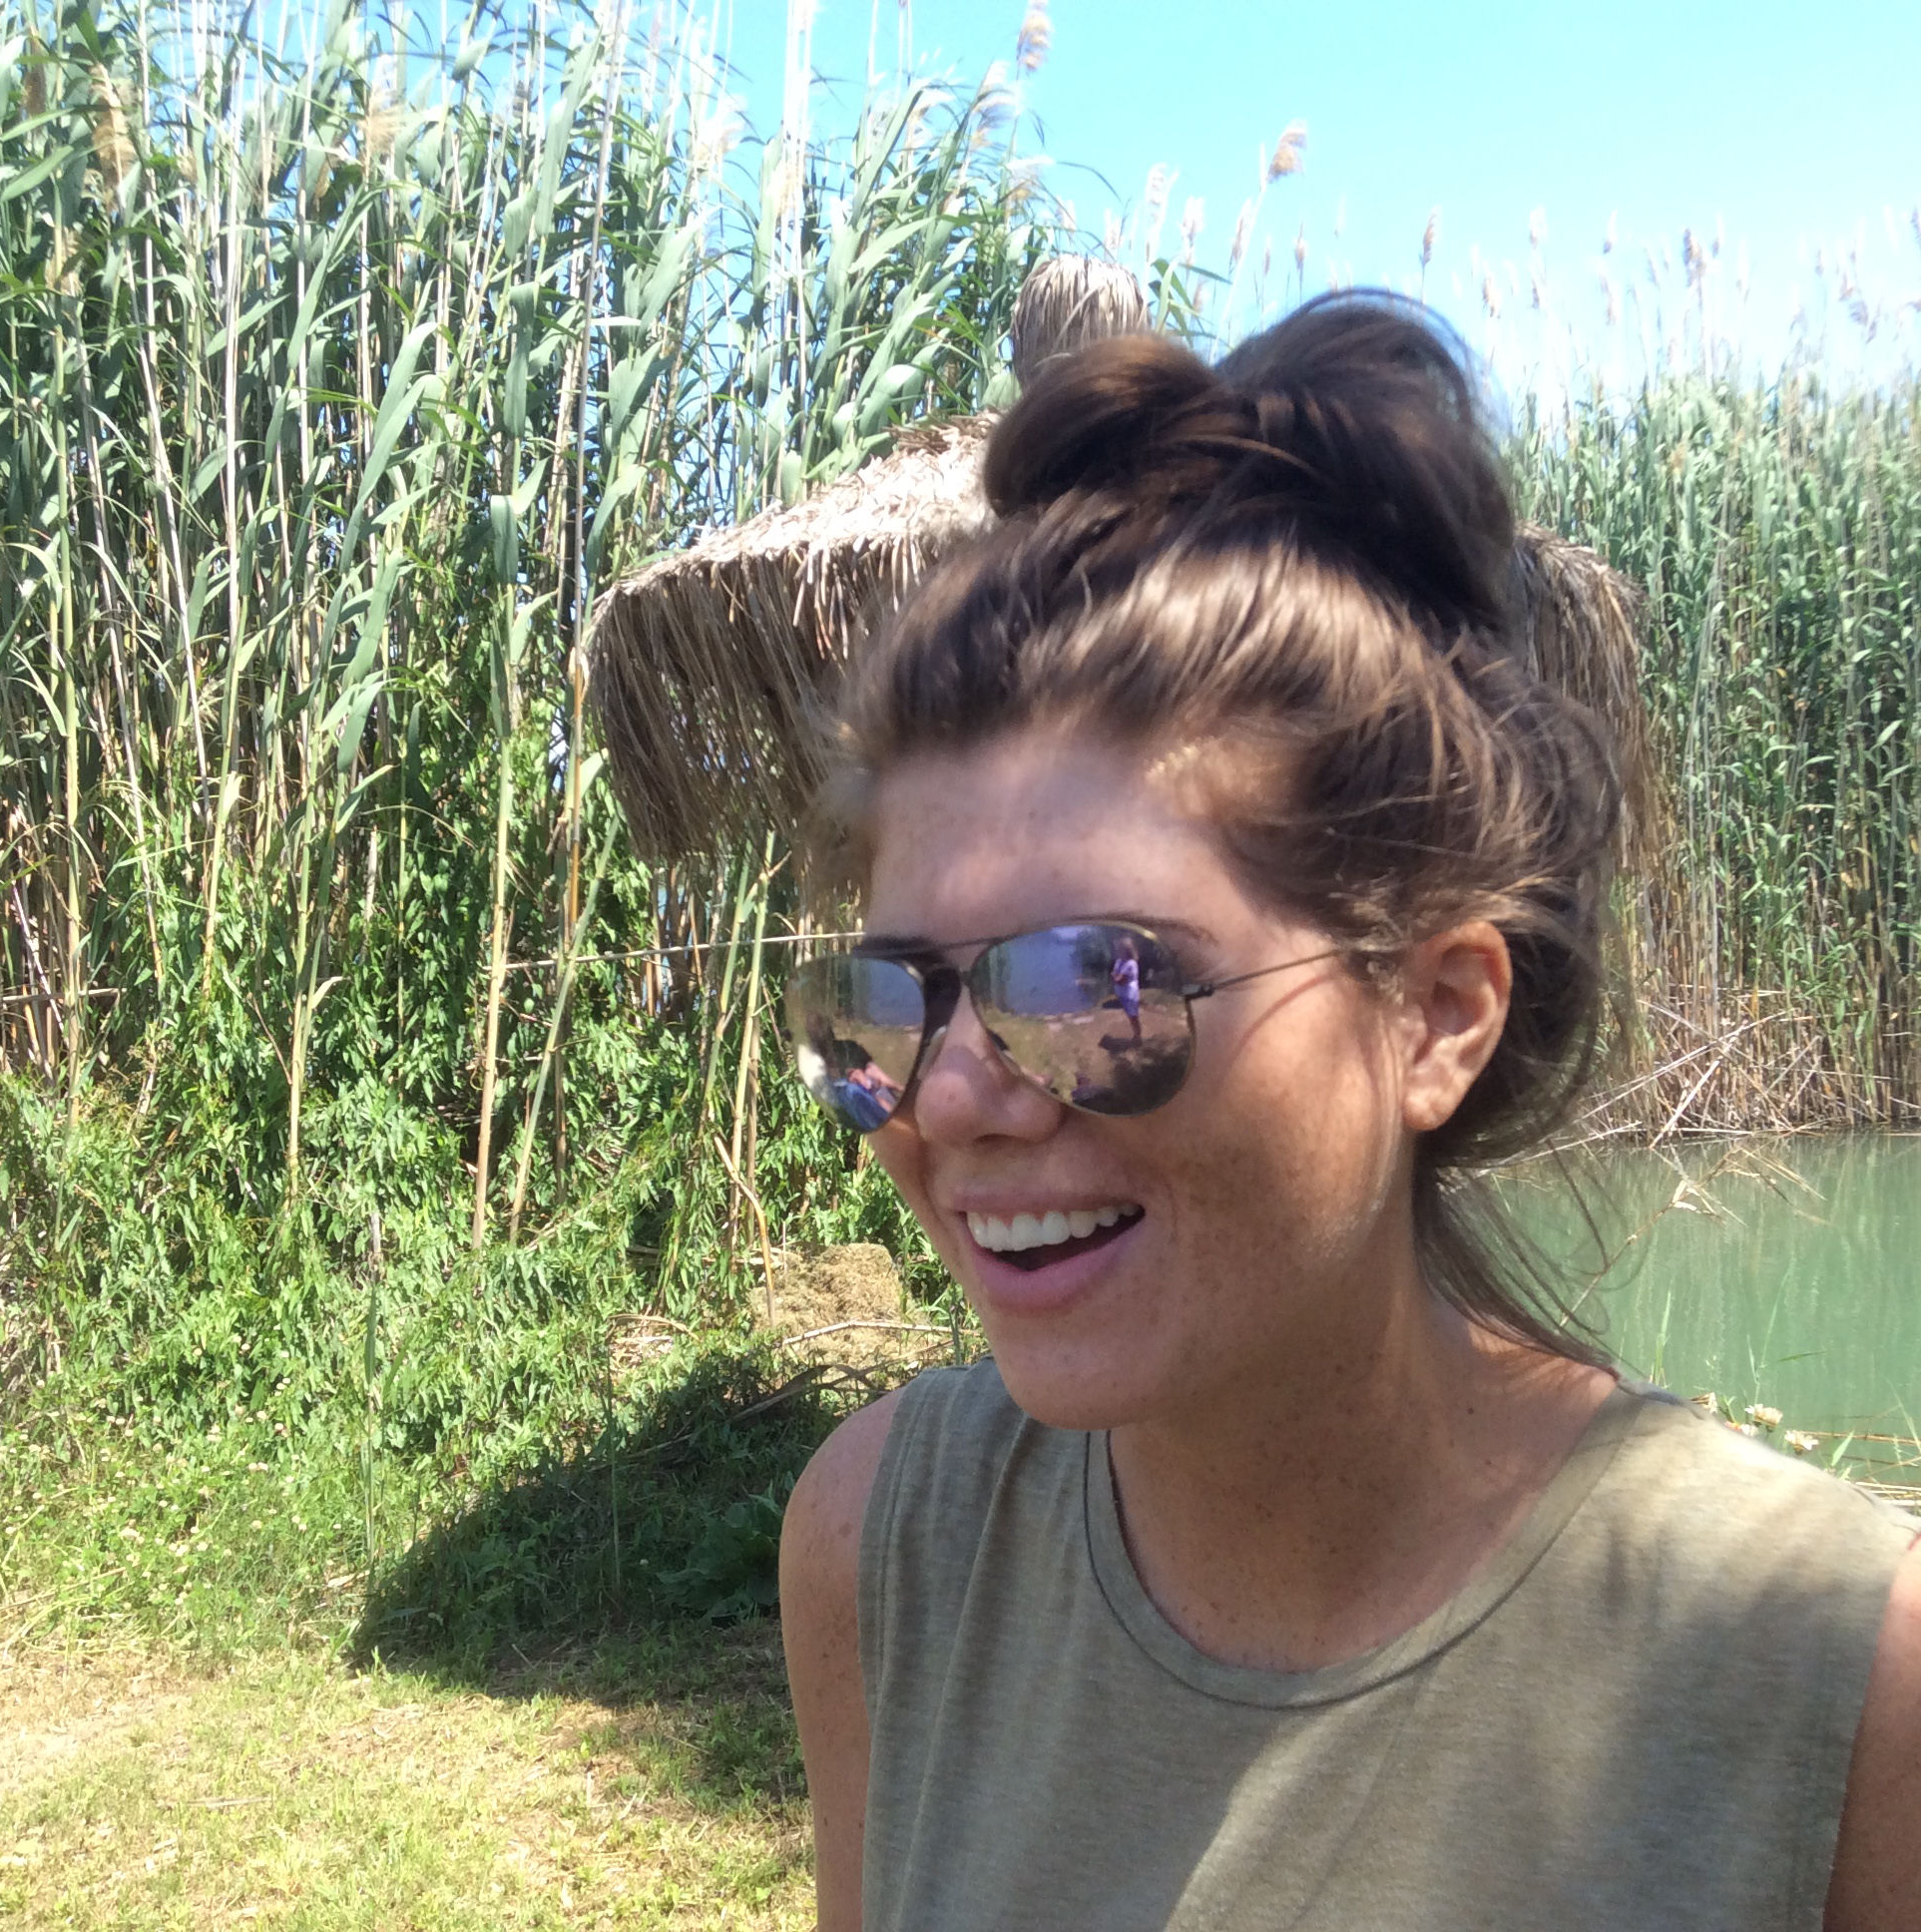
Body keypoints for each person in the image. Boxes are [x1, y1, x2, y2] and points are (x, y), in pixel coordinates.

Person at [775, 292, 1921, 1930]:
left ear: (1436, 1014)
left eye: (1101, 984)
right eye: (890, 1000)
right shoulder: (886, 1546)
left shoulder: (1838, 1685)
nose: (949, 1097)